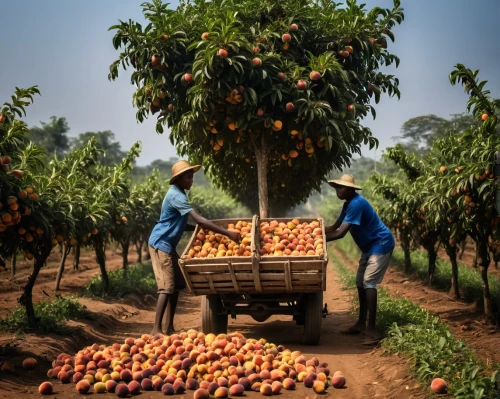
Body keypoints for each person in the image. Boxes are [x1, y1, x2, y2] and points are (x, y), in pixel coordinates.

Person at [148, 160, 240, 336]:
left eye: (192, 177)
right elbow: (199, 219)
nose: (192, 180)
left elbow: (181, 222)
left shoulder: (179, 192)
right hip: (160, 243)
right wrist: (227, 233)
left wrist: (198, 229)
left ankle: (169, 327)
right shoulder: (177, 196)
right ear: (179, 178)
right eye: (189, 177)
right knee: (167, 287)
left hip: (167, 244)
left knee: (177, 284)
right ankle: (156, 329)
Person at [324, 174, 394, 345]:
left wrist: (318, 240)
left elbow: (340, 233)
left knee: (369, 282)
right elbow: (334, 227)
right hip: (369, 246)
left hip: (380, 242)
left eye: (341, 188)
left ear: (351, 189)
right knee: (359, 282)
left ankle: (372, 330)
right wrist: (314, 230)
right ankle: (361, 324)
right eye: (337, 188)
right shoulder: (348, 204)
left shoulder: (356, 204)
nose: (338, 191)